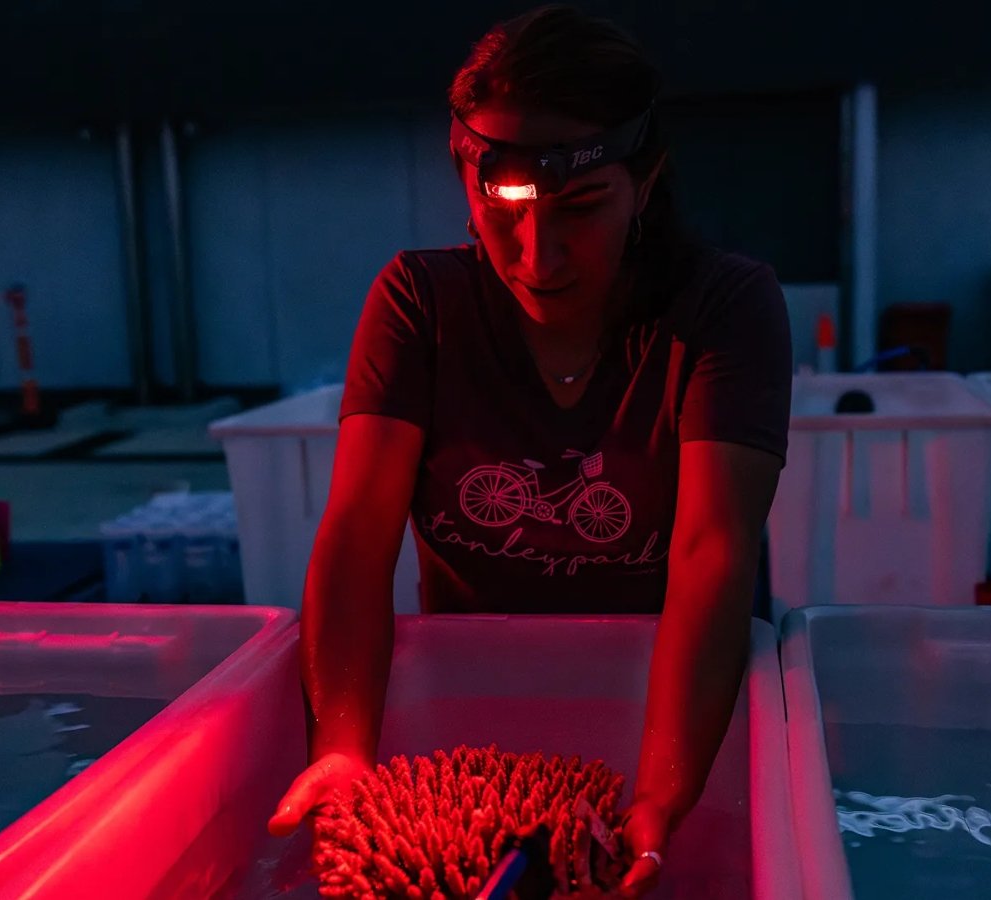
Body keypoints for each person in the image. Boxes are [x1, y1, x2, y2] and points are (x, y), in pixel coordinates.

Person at [265, 5, 791, 895]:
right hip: (473, 718)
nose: (539, 254)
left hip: (677, 715)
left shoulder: (724, 308)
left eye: (583, 206)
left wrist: (662, 794)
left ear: (647, 179)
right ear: (465, 176)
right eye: (500, 205)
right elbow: (358, 532)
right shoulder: (418, 304)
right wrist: (344, 746)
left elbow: (711, 552)